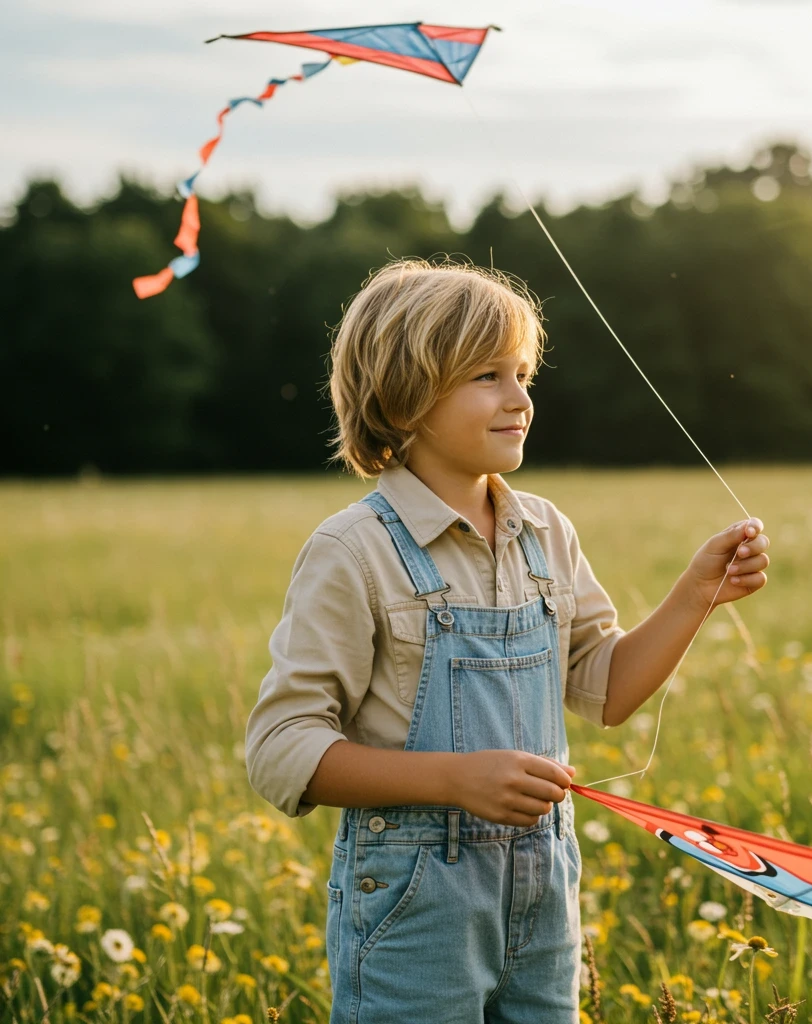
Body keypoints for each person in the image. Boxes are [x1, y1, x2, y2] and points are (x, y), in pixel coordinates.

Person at [245, 256, 769, 1022]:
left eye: (524, 374)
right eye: (488, 376)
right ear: (406, 394)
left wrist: (695, 596)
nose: (521, 399)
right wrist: (454, 780)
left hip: (544, 898)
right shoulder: (354, 550)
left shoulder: (545, 532)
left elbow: (607, 689)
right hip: (414, 912)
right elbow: (280, 749)